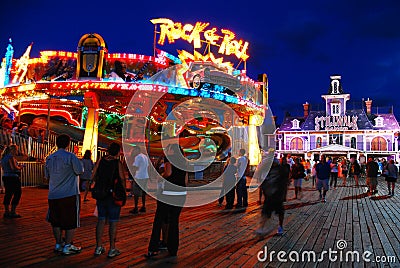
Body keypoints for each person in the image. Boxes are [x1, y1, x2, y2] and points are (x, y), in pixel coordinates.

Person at [146, 143, 188, 263]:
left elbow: (168, 173)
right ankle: (173, 249)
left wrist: (160, 176)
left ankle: (153, 248)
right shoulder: (184, 162)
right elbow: (185, 180)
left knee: (159, 219)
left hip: (168, 193)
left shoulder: (169, 158)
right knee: (174, 221)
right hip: (180, 194)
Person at [45, 134, 84, 255]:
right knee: (70, 220)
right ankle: (68, 245)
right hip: (69, 193)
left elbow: (47, 176)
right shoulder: (71, 157)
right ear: (68, 143)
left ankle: (58, 243)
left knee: (55, 221)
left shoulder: (50, 158)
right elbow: (79, 171)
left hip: (53, 193)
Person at [92, 142, 125, 258]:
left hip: (101, 194)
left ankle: (98, 246)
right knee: (113, 222)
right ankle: (112, 248)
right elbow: (122, 178)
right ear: (118, 152)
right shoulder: (118, 163)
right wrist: (124, 191)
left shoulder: (101, 160)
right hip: (113, 195)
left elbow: (93, 174)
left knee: (101, 220)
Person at [256, 156, 290, 236]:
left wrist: (283, 194)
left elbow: (284, 182)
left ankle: (280, 226)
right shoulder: (268, 170)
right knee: (265, 212)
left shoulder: (281, 170)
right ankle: (262, 228)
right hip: (269, 195)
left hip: (277, 195)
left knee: (279, 212)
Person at [1, 144, 24, 218]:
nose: (17, 151)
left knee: (8, 193)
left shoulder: (3, 158)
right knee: (17, 193)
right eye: (16, 149)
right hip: (12, 177)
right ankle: (12, 211)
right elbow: (13, 168)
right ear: (12, 150)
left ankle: (6, 211)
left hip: (5, 176)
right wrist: (20, 167)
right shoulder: (10, 157)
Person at [129, 146, 150, 214]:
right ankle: (143, 206)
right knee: (143, 192)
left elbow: (135, 167)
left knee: (136, 193)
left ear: (137, 150)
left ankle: (136, 207)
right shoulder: (145, 156)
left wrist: (133, 174)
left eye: (134, 150)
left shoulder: (138, 157)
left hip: (139, 176)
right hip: (145, 176)